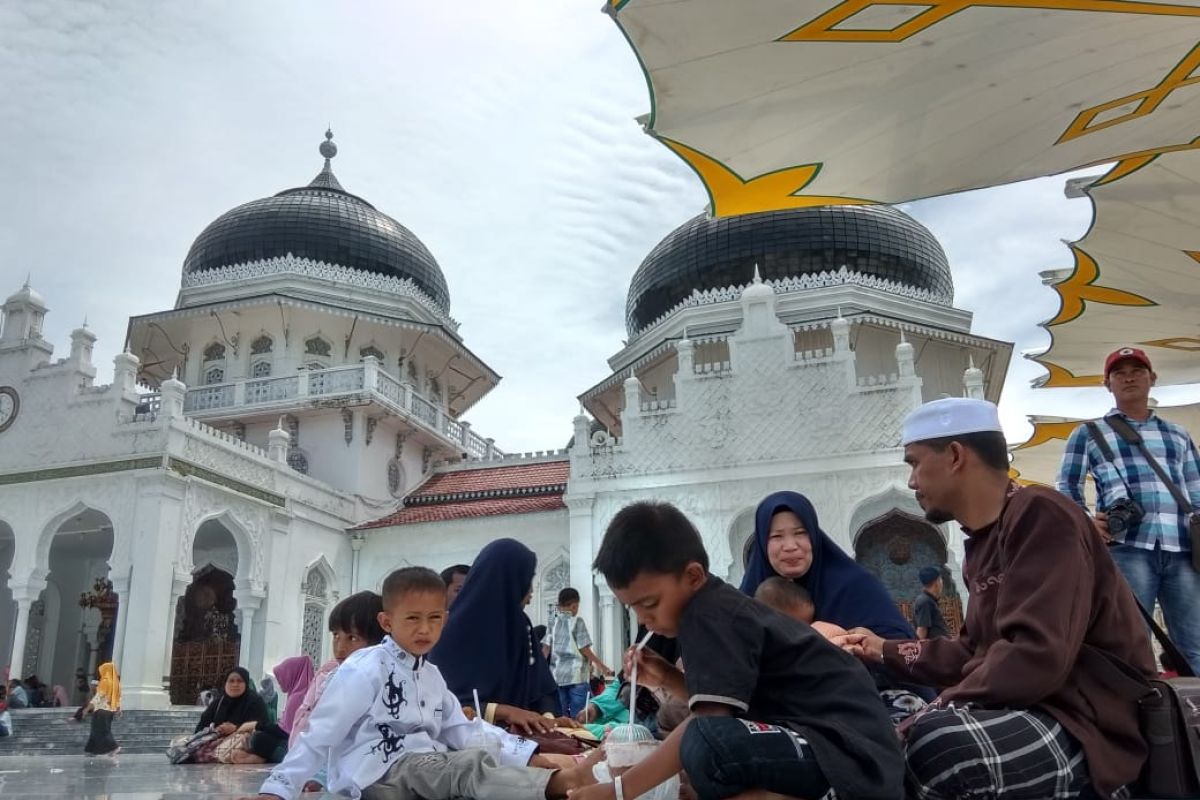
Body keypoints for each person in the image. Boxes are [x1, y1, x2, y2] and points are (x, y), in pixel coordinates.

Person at [842, 397, 1156, 799]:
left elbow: (1035, 656)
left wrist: (938, 707)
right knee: (874, 726)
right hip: (1034, 709)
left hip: (1088, 726)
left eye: (914, 463)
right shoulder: (986, 539)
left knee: (940, 748)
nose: (912, 482)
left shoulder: (1042, 515)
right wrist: (883, 649)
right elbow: (973, 650)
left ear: (955, 455)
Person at [575, 501, 904, 800]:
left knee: (705, 745)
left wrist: (619, 790)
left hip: (850, 756)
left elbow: (709, 724)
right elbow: (728, 702)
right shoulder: (716, 607)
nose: (644, 619)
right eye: (634, 609)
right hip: (851, 753)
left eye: (650, 604)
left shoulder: (709, 616)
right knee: (705, 745)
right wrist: (665, 675)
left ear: (692, 576)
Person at [243, 566, 600, 800]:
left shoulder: (430, 676)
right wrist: (278, 789)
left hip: (423, 770)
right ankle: (560, 787)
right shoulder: (364, 669)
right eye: (412, 618)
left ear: (445, 621)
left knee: (472, 755)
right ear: (386, 621)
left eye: (433, 619)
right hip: (375, 776)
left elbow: (463, 729)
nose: (424, 629)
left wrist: (528, 754)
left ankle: (542, 779)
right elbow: (321, 732)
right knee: (462, 767)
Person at [1057, 346, 1200, 674]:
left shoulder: (1178, 435)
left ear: (1152, 378)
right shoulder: (1089, 433)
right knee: (1129, 643)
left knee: (1194, 643)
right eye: (1119, 373)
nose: (1129, 377)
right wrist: (1087, 522)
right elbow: (1066, 486)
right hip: (1128, 548)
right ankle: (1142, 718)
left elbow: (1196, 489)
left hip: (1183, 549)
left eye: (1137, 371)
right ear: (1107, 384)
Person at [430, 539, 567, 732]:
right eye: (525, 579)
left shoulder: (521, 625)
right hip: (470, 744)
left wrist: (548, 718)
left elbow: (541, 686)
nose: (530, 590)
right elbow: (442, 703)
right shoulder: (451, 631)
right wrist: (504, 711)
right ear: (504, 580)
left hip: (524, 739)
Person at [288, 591, 387, 794]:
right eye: (336, 636)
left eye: (352, 638)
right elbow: (327, 735)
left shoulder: (396, 679)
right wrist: (317, 775)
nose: (340, 648)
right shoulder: (335, 678)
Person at [542, 587, 613, 719]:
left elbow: (546, 648)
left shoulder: (552, 622)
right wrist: (602, 666)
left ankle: (564, 739)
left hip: (556, 677)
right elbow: (584, 648)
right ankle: (579, 738)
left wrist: (540, 671)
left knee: (561, 716)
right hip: (577, 676)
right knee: (579, 716)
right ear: (574, 606)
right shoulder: (577, 622)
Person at [186, 667, 272, 763]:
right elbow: (201, 728)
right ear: (225, 683)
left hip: (242, 742)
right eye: (231, 681)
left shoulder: (255, 701)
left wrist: (236, 728)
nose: (235, 685)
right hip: (220, 742)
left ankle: (247, 757)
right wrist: (216, 730)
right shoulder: (219, 702)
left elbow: (263, 726)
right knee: (195, 752)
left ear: (246, 683)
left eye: (239, 681)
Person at [245, 657, 313, 765]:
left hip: (296, 746)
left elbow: (286, 732)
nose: (279, 681)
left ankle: (284, 758)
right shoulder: (302, 692)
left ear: (291, 674)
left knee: (258, 739)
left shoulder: (298, 697)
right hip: (298, 743)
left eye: (282, 677)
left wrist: (259, 726)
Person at [83, 662, 121, 757]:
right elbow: (118, 698)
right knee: (97, 730)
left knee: (101, 730)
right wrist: (118, 709)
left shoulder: (105, 681)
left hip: (101, 710)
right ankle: (91, 750)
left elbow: (98, 697)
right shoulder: (116, 683)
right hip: (110, 710)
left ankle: (114, 747)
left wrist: (87, 708)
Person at [912, 566, 950, 641]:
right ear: (937, 582)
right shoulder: (925, 602)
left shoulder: (929, 600)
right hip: (935, 650)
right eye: (941, 579)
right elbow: (922, 631)